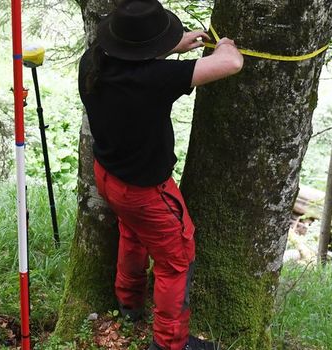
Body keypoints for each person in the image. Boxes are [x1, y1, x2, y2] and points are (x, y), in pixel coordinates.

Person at [78, 0, 243, 349]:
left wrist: (176, 43)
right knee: (176, 259)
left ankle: (129, 303)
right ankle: (170, 343)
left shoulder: (93, 61)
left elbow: (137, 61)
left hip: (108, 176)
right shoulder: (155, 79)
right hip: (145, 192)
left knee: (133, 233)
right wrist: (226, 44)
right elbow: (230, 62)